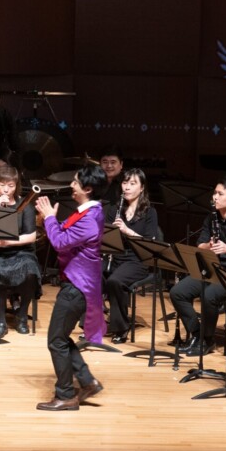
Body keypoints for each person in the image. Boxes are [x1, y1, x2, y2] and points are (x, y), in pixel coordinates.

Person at [34, 164, 108, 411]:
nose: (71, 185)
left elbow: (59, 241)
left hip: (78, 287)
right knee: (61, 337)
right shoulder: (85, 212)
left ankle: (65, 395)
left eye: (76, 182)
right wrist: (49, 219)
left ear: (88, 188)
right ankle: (87, 381)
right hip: (76, 283)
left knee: (56, 340)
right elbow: (61, 232)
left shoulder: (90, 219)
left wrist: (49, 218)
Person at [169, 174, 226, 357]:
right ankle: (198, 335)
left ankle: (208, 340)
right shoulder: (211, 218)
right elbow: (200, 246)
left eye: (220, 194)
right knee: (177, 292)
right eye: (214, 193)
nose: (214, 197)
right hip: (212, 269)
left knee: (209, 295)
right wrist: (209, 246)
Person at [0, 166, 41, 340]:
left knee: (30, 272)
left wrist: (6, 242)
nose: (6, 189)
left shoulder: (25, 205)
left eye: (10, 185)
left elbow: (31, 236)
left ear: (16, 186)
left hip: (20, 251)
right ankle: (1, 322)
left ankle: (22, 316)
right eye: (2, 185)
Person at [102, 167, 160, 344]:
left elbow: (150, 243)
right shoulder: (114, 209)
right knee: (90, 274)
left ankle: (120, 327)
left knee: (115, 281)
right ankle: (92, 323)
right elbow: (105, 236)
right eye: (125, 182)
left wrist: (127, 231)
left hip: (137, 259)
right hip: (115, 255)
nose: (127, 187)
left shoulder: (149, 212)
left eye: (133, 183)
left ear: (142, 188)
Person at [98, 146, 126, 211]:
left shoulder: (127, 183)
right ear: (100, 164)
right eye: (105, 162)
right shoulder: (94, 182)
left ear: (121, 164)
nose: (109, 166)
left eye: (113, 162)